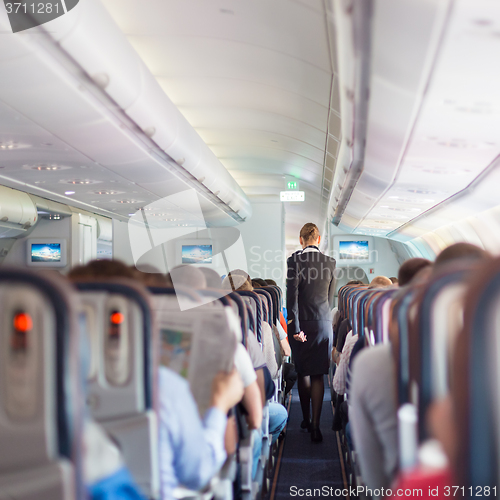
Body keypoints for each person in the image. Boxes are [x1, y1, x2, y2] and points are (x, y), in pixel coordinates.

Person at [286, 222, 336, 442]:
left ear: (301, 240)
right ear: (318, 239)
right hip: (323, 324)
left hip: (302, 324)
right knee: (318, 375)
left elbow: (291, 297)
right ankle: (316, 425)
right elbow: (330, 296)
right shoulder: (330, 262)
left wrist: (295, 328)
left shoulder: (294, 261)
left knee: (303, 372)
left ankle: (305, 419)